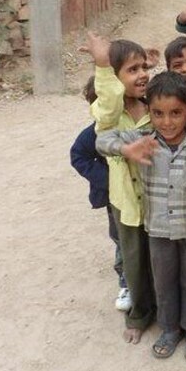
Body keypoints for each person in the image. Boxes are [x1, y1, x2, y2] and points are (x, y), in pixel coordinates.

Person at [97, 72, 186, 363]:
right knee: (164, 282)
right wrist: (125, 149)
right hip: (158, 230)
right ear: (149, 112)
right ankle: (170, 329)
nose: (167, 121)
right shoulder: (142, 140)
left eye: (175, 113)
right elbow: (102, 139)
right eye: (158, 114)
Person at [80, 33, 156, 344]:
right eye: (132, 70)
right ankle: (138, 315)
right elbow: (108, 105)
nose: (142, 75)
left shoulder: (155, 106)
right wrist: (102, 65)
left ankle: (166, 309)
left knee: (160, 259)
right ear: (112, 78)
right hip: (127, 202)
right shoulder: (108, 116)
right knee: (134, 261)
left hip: (159, 201)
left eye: (143, 67)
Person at [69, 76, 129, 312]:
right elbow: (78, 156)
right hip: (114, 198)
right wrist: (108, 181)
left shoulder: (132, 125)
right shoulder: (93, 132)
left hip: (138, 193)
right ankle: (126, 283)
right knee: (121, 239)